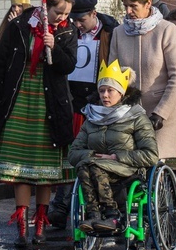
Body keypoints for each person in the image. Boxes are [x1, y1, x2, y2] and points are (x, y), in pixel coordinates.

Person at [0, 0, 77, 247]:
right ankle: (22, 224)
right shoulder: (19, 26)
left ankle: (41, 224)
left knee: (46, 169)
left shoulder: (68, 30)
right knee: (21, 168)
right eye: (58, 12)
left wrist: (54, 47)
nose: (62, 17)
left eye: (66, 13)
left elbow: (69, 64)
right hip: (19, 98)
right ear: (45, 6)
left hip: (51, 105)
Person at [47, 0, 119, 229]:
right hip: (71, 101)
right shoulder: (68, 32)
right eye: (74, 20)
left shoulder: (109, 33)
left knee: (91, 155)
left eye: (82, 20)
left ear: (93, 15)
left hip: (98, 102)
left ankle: (95, 206)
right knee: (71, 151)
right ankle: (61, 204)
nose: (77, 24)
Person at [68, 60, 158, 233]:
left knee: (92, 166)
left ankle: (113, 216)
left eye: (110, 90)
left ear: (121, 93)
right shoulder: (91, 118)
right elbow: (73, 154)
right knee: (85, 165)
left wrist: (117, 157)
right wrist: (93, 153)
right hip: (96, 167)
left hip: (127, 171)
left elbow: (150, 155)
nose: (105, 95)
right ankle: (94, 214)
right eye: (102, 91)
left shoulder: (137, 117)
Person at [109, 0, 176, 163]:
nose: (128, 11)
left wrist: (161, 113)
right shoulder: (119, 32)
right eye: (125, 6)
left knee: (154, 162)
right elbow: (113, 75)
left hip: (162, 114)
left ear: (148, 4)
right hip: (130, 113)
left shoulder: (166, 30)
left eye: (133, 6)